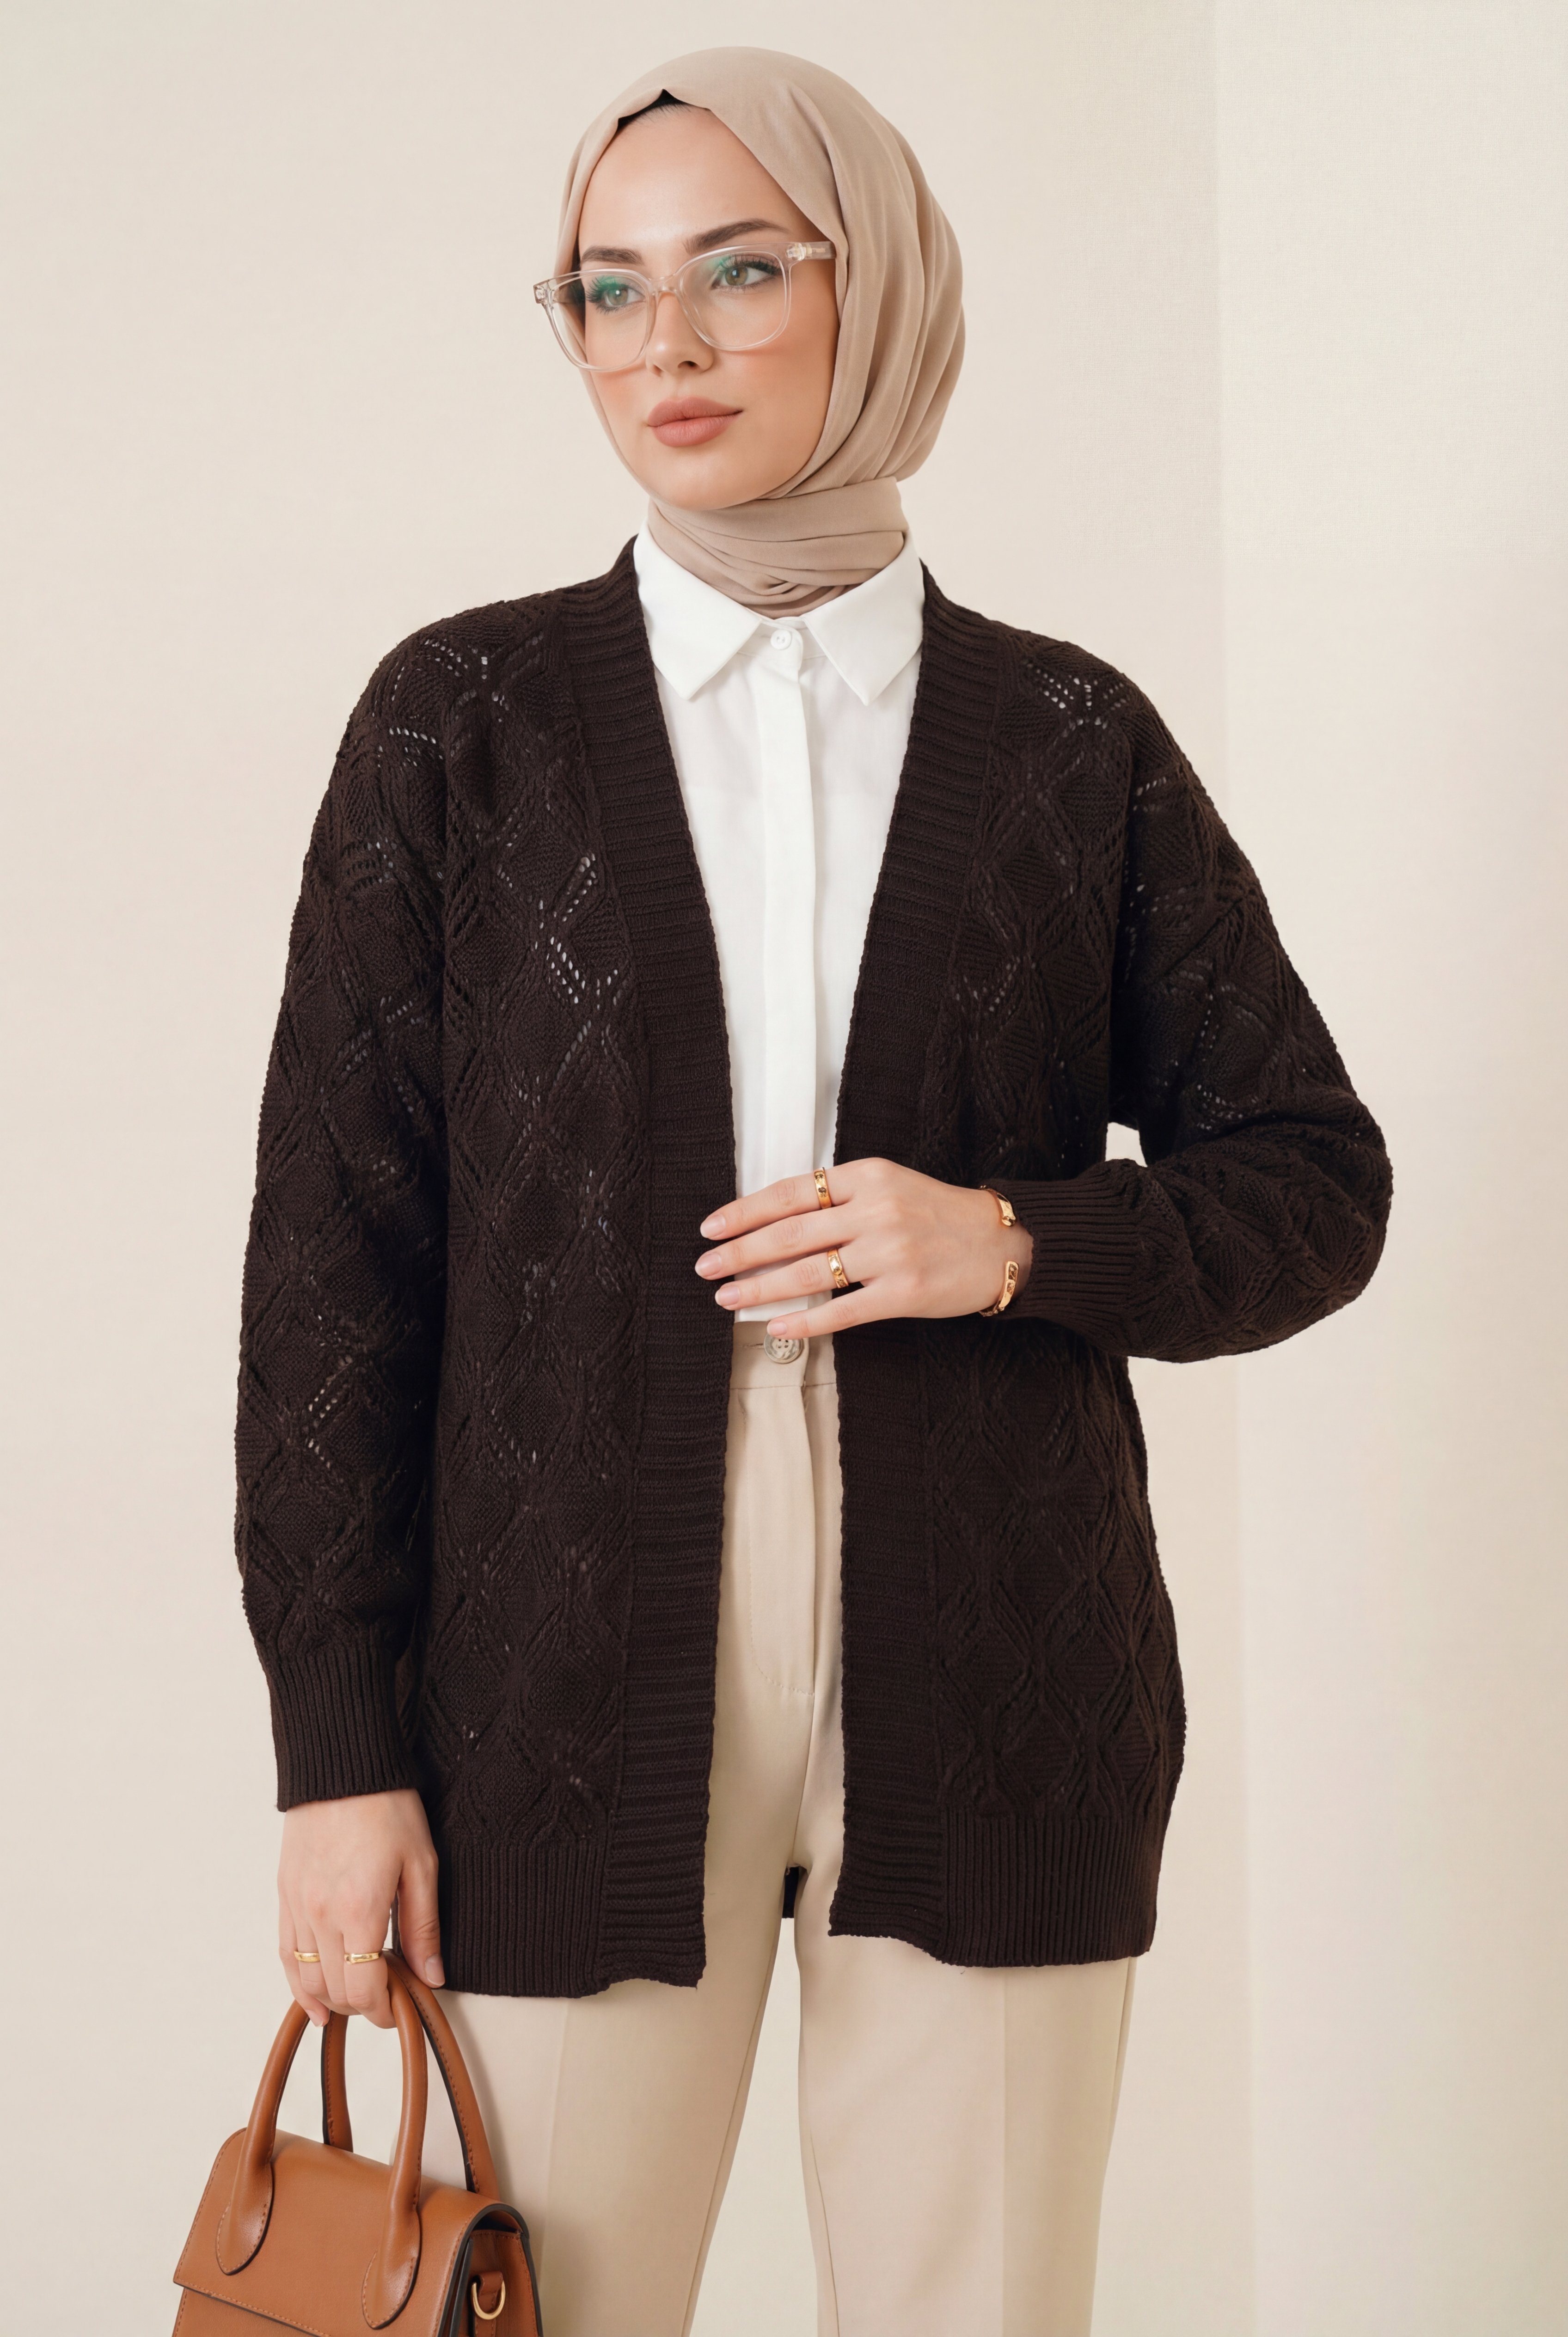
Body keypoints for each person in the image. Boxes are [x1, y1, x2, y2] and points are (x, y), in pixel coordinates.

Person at [234, 47, 1391, 2337]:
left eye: (738, 271)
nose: (662, 343)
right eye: (604, 288)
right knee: (524, 2305)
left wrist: (1012, 1241)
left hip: (997, 1656)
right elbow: (334, 1274)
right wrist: (338, 1754)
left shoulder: (1067, 742)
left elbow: (1309, 1175)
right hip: (553, 1672)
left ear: (881, 290)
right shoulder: (459, 725)